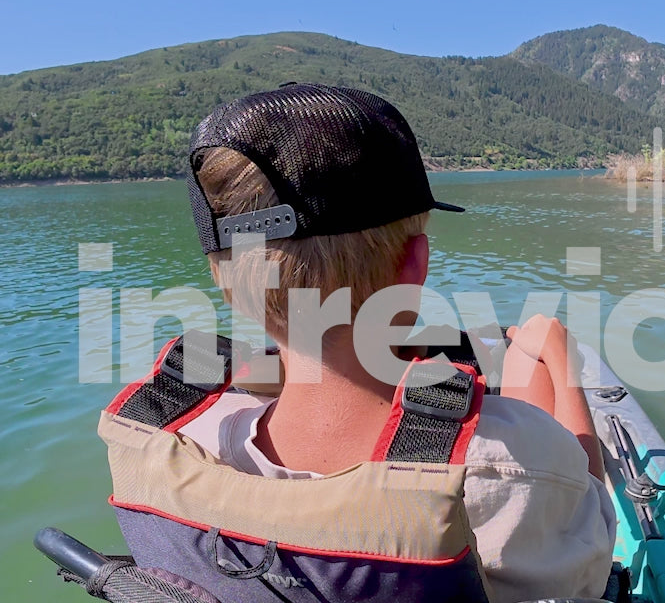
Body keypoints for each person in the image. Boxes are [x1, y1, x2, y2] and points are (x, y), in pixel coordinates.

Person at [99, 83, 615, 603]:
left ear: (227, 280)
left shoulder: (176, 446)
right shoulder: (513, 462)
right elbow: (592, 553)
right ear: (415, 263)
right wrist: (560, 365)